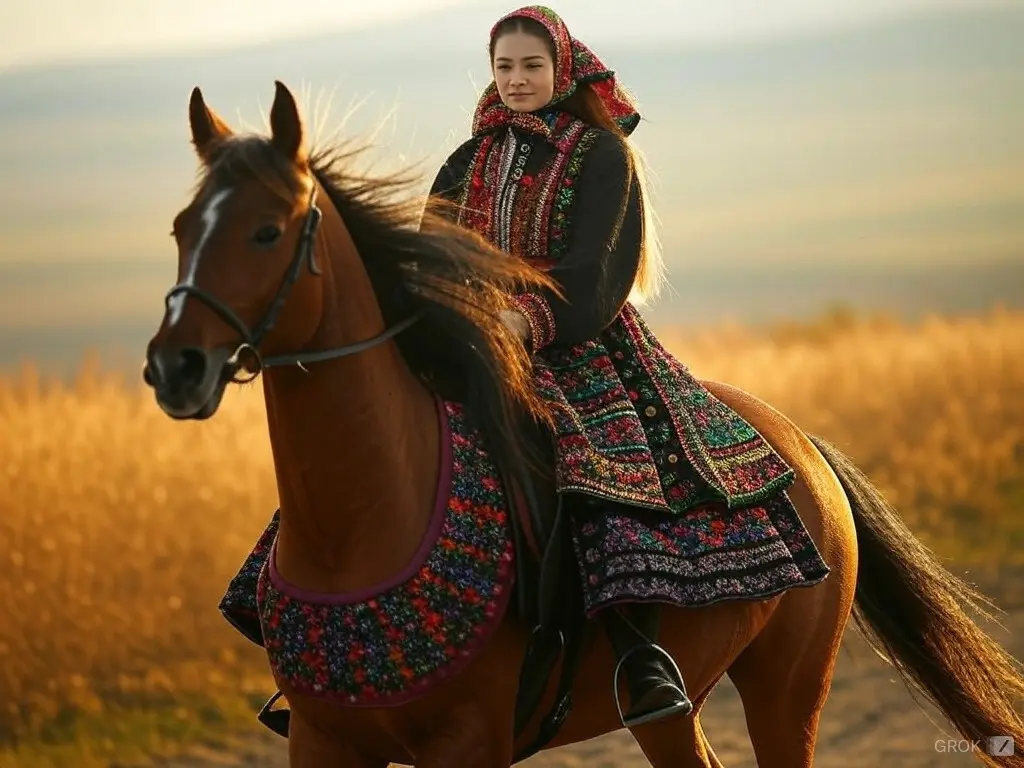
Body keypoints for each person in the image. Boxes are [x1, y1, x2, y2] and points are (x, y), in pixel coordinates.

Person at [424, 4, 831, 728]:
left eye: (531, 66)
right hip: (476, 341)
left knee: (596, 467)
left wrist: (528, 319)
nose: (517, 80)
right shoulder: (465, 160)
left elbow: (597, 272)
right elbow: (431, 257)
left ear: (562, 69)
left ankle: (642, 654)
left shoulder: (601, 155)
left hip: (580, 342)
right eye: (504, 68)